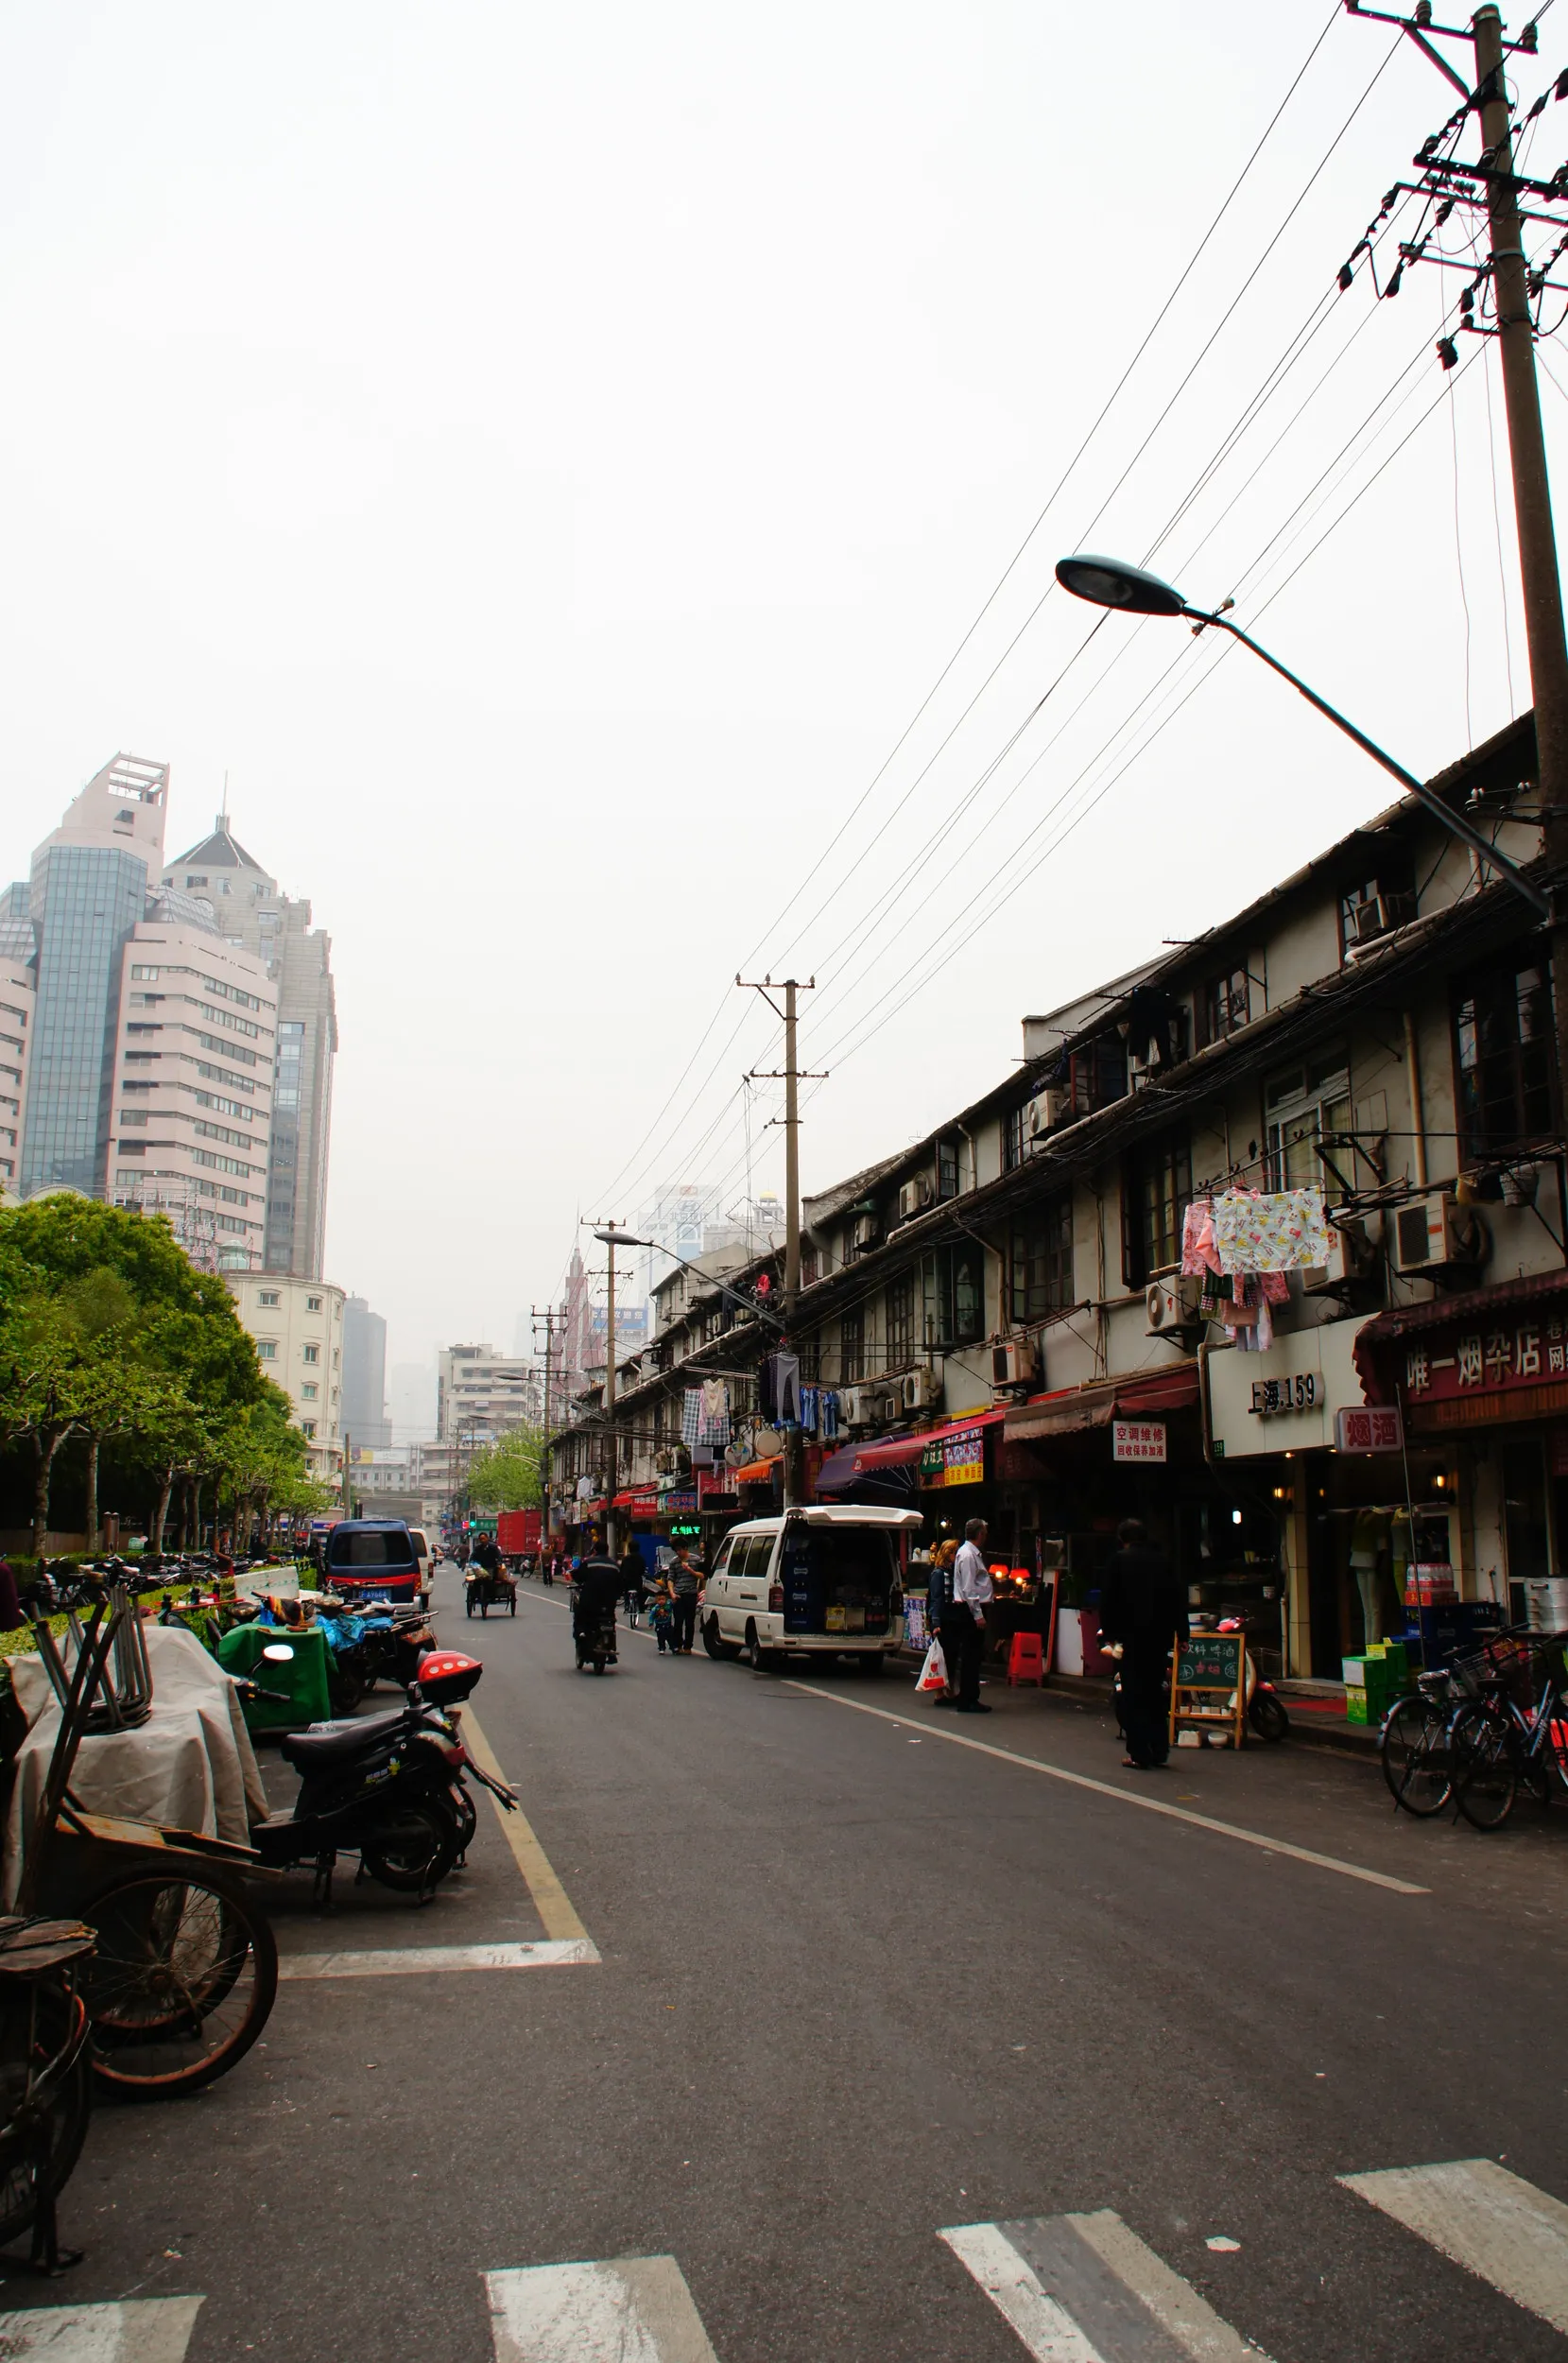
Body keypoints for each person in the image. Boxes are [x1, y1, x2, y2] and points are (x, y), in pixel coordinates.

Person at [1098, 1516, 1188, 1770]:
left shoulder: (1118, 1561)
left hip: (1130, 1638)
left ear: (1122, 1539)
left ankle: (1139, 1753)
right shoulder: (1163, 1562)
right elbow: (1177, 1599)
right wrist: (1182, 1634)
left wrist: (1109, 1634)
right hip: (1159, 1637)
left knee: (1133, 1695)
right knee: (1155, 1693)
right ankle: (1159, 1750)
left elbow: (1109, 1600)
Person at [950, 1518, 993, 1714]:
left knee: (972, 1655)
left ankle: (968, 1696)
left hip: (971, 1608)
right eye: (984, 1532)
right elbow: (968, 1588)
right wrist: (977, 1614)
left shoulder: (970, 1553)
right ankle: (968, 1698)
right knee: (971, 1655)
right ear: (980, 1534)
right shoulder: (968, 1555)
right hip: (970, 1610)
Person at [928, 1539, 964, 1710]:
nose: (956, 1556)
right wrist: (935, 1623)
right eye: (954, 1552)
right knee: (941, 1657)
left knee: (951, 1657)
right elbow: (936, 1599)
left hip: (953, 1618)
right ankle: (939, 1693)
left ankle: (949, 1691)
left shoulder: (954, 1572)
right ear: (947, 1554)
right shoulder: (938, 1573)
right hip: (943, 1619)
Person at [668, 1544, 701, 1654]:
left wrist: (690, 1570)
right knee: (678, 1621)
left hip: (691, 1594)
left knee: (690, 1622)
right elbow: (670, 1579)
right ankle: (678, 1645)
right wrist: (672, 1593)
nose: (678, 1552)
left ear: (685, 1548)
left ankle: (688, 1646)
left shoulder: (696, 1560)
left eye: (679, 1550)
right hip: (678, 1594)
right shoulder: (674, 1562)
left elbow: (702, 1576)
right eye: (676, 1551)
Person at [646, 1564, 678, 1653]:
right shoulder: (655, 1608)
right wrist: (651, 1623)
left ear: (665, 1599)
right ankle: (662, 1648)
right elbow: (651, 1615)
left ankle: (673, 1647)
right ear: (656, 1600)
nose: (661, 1601)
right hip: (659, 1625)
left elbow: (674, 1603)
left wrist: (675, 1598)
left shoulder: (668, 1604)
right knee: (661, 1638)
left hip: (668, 1624)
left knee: (670, 1637)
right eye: (659, 1600)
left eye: (663, 1599)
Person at [618, 1539, 646, 1626]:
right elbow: (643, 1570)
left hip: (627, 1580)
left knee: (626, 1592)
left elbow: (622, 1570)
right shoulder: (641, 1558)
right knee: (640, 1592)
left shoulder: (625, 1559)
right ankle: (641, 1608)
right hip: (637, 1580)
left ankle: (627, 1607)